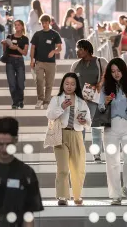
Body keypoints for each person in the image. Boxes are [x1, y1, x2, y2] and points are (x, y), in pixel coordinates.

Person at [98, 58, 127, 205]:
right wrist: (106, 102)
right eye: (113, 71)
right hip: (110, 127)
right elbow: (100, 108)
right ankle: (115, 195)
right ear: (110, 73)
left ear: (123, 71)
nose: (116, 74)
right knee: (112, 162)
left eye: (118, 70)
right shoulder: (105, 89)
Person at [46, 73, 90, 206]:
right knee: (63, 168)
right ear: (63, 85)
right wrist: (62, 108)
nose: (69, 86)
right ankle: (62, 196)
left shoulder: (81, 101)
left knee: (78, 167)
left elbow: (88, 121)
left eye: (72, 84)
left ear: (76, 86)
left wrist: (83, 121)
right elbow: (50, 115)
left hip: (76, 135)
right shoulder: (57, 99)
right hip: (61, 135)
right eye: (67, 83)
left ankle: (77, 196)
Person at [71, 40, 108, 163]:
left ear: (87, 50)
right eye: (77, 49)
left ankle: (96, 154)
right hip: (80, 100)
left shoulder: (100, 61)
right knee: (79, 128)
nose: (77, 51)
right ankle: (79, 154)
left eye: (80, 49)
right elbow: (71, 82)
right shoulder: (75, 65)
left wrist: (100, 83)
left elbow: (107, 74)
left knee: (96, 127)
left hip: (95, 100)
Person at [30, 14, 62, 109]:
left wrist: (54, 51)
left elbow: (59, 47)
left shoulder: (55, 34)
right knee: (39, 80)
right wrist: (32, 60)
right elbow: (32, 48)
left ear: (49, 23)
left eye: (46, 23)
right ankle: (40, 99)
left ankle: (46, 101)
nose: (44, 25)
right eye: (43, 23)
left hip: (51, 63)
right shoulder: (37, 34)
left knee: (49, 83)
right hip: (39, 61)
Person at [1, 20, 29, 109]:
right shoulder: (9, 36)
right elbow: (5, 51)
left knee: (20, 82)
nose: (16, 27)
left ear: (22, 27)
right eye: (15, 25)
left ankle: (20, 99)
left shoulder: (25, 39)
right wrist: (4, 44)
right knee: (12, 83)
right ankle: (15, 102)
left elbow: (24, 53)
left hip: (19, 60)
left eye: (18, 25)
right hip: (10, 60)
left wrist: (16, 47)